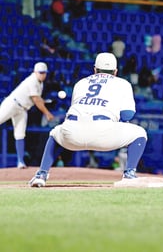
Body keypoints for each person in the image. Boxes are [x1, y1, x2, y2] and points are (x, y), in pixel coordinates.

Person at [29, 52, 148, 187]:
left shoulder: (81, 83)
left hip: (72, 133)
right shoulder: (122, 83)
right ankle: (129, 174)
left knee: (55, 133)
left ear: (95, 70)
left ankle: (41, 174)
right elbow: (127, 115)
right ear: (115, 71)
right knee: (140, 133)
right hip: (104, 134)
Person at [0, 62, 55, 168]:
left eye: (44, 73)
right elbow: (36, 99)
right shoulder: (33, 80)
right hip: (12, 104)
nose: (42, 75)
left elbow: (37, 99)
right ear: (35, 72)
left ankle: (20, 162)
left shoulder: (40, 83)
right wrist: (47, 113)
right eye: (40, 72)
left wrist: (41, 101)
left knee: (20, 134)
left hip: (22, 109)